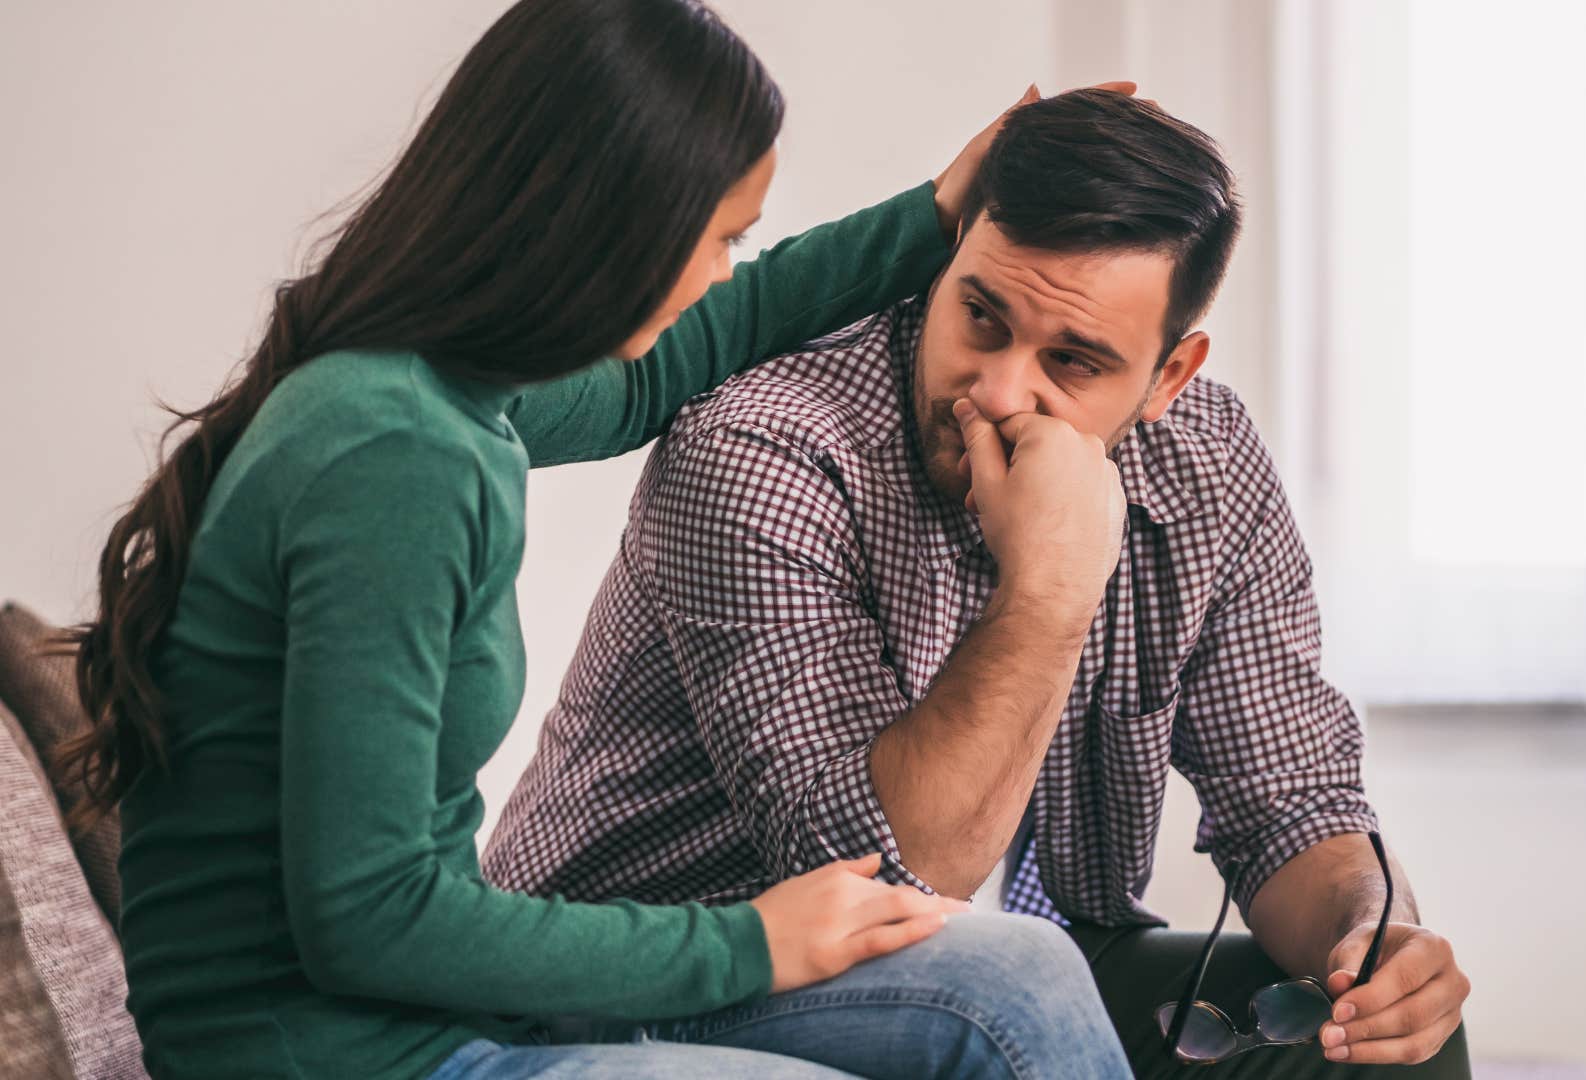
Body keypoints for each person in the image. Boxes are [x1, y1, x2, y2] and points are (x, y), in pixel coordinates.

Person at [57, 1, 1131, 1077]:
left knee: (1020, 978)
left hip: (420, 1023)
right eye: (718, 239)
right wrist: (751, 942)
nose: (722, 272)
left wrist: (932, 215)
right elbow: (369, 916)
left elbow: (665, 367)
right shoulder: (392, 450)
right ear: (610, 226)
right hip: (331, 1059)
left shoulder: (443, 390)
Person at [483, 90, 1474, 1077]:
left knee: (1379, 1042)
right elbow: (889, 877)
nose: (998, 392)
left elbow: (1288, 800)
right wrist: (1050, 588)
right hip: (650, 985)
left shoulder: (1205, 460)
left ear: (1169, 376)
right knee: (1017, 983)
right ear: (951, 257)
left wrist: (1373, 937)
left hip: (979, 963)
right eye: (981, 317)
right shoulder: (765, 446)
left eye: (1073, 361)